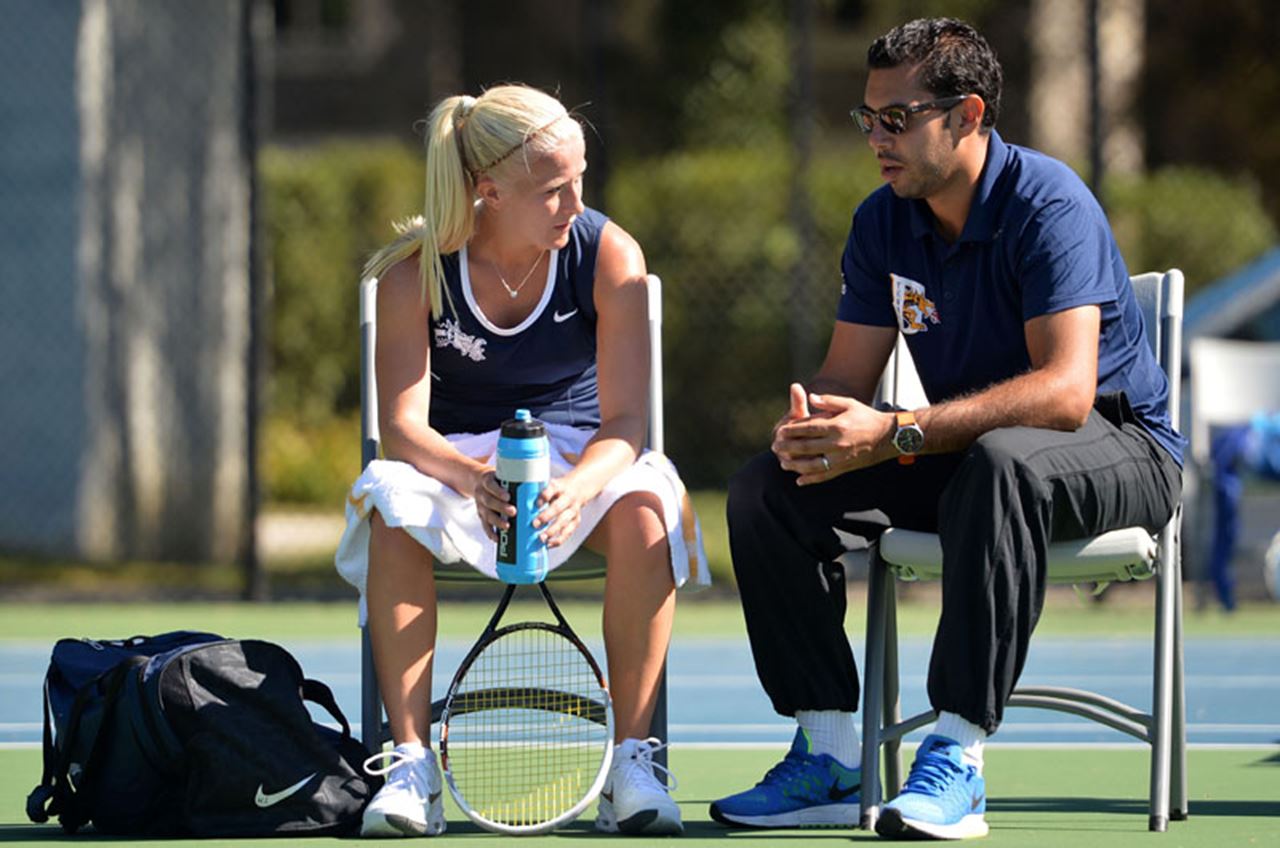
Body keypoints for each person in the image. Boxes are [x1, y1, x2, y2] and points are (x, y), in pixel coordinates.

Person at [709, 18, 1182, 841]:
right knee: (767, 489)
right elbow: (846, 376)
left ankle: (958, 758)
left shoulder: (1048, 202)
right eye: (868, 118)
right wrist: (816, 422)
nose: (875, 139)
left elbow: (1067, 394)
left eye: (896, 119)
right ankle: (828, 755)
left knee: (1006, 465)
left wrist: (893, 433)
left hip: (1122, 446)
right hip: (971, 454)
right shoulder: (882, 220)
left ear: (966, 115)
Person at [333, 83, 709, 838]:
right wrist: (474, 479)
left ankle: (633, 762)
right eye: (553, 191)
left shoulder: (609, 254)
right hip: (453, 460)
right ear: (489, 192)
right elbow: (402, 429)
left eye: (580, 182)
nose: (575, 204)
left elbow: (629, 421)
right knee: (391, 508)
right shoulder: (416, 272)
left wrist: (576, 487)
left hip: (584, 455)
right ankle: (410, 765)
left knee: (646, 507)